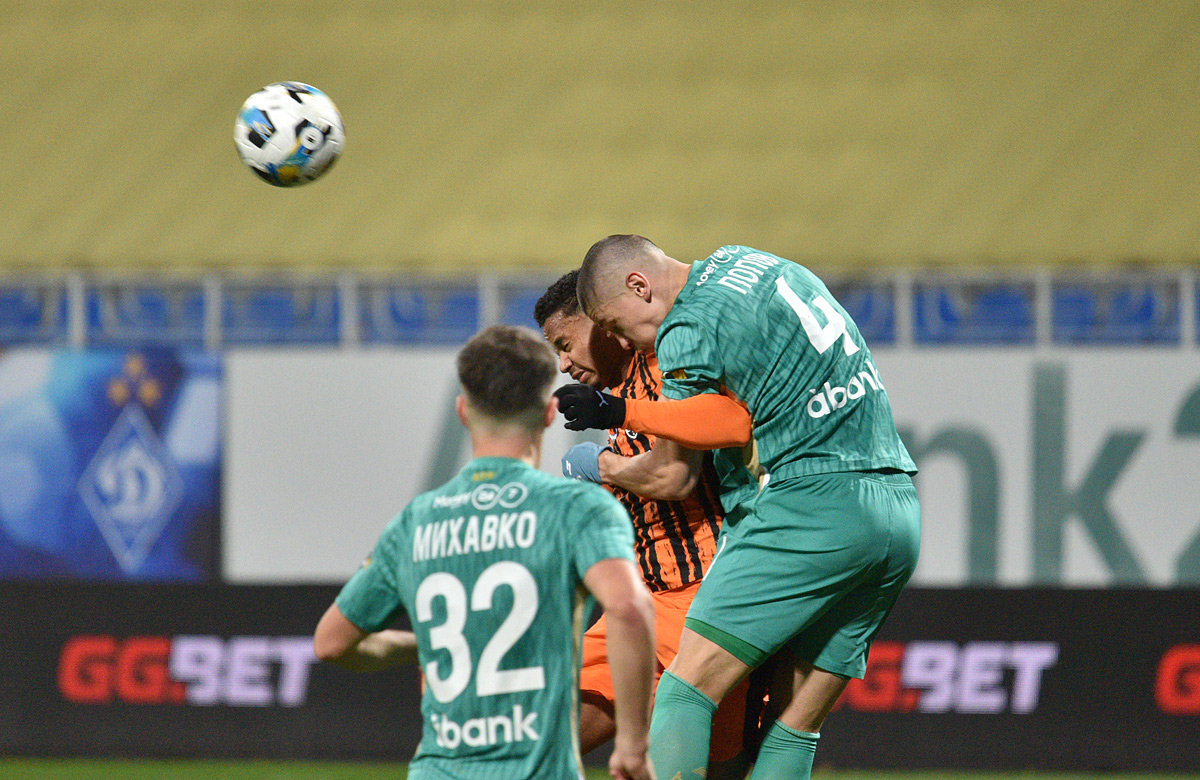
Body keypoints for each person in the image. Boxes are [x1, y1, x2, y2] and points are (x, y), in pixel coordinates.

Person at [560, 236, 921, 780]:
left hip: (811, 505)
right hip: (895, 509)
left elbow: (727, 425)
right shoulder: (747, 261)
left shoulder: (683, 323)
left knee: (684, 689)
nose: (620, 340)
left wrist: (617, 411)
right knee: (794, 726)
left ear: (640, 286)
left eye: (614, 324)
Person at [314, 325, 657, 780]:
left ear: (462, 410)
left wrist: (421, 645)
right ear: (549, 413)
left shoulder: (415, 522)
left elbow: (331, 644)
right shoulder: (578, 508)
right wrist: (632, 745)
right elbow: (629, 608)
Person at [534, 271, 767, 780]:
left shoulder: (668, 372)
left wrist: (600, 466)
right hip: (643, 605)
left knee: (710, 768)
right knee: (536, 739)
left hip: (705, 601)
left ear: (600, 322)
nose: (563, 364)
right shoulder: (616, 398)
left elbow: (673, 477)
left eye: (565, 345)